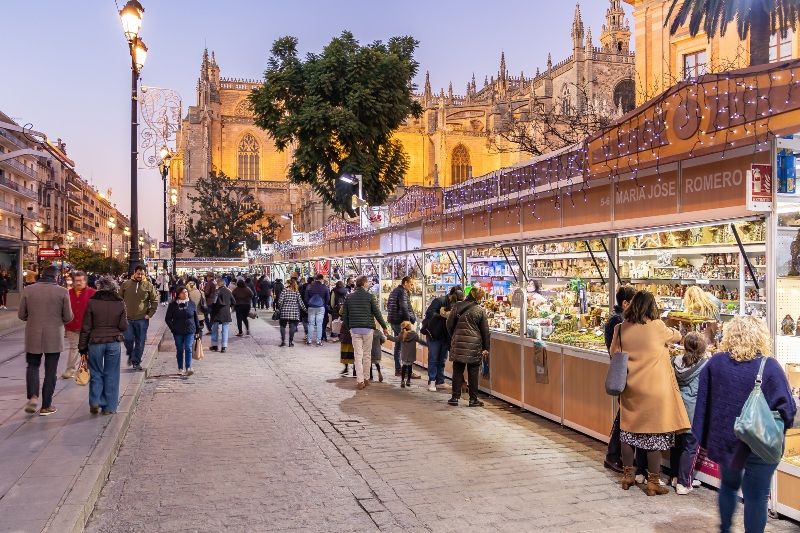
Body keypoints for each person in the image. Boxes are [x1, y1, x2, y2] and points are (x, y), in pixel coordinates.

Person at [693, 316, 796, 532]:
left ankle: (725, 528)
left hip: (727, 441)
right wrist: (778, 429)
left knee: (728, 487)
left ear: (729, 335)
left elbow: (703, 402)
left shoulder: (716, 363)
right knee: (757, 496)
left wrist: (706, 436)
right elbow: (787, 408)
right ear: (761, 337)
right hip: (761, 442)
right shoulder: (770, 367)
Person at [609, 290, 689, 496]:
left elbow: (614, 354)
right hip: (655, 389)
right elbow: (678, 336)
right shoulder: (657, 327)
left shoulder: (620, 328)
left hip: (630, 387)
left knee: (628, 432)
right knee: (654, 435)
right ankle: (653, 482)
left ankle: (628, 476)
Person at [18, 265, 73, 416]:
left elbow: (21, 315)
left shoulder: (28, 290)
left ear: (42, 275)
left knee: (32, 366)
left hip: (33, 335)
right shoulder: (62, 292)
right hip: (54, 336)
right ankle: (46, 406)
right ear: (56, 277)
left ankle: (33, 397)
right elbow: (68, 317)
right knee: (51, 370)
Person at [78, 276, 127, 415]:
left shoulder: (92, 302)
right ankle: (109, 407)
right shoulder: (120, 302)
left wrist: (82, 346)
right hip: (113, 342)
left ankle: (95, 400)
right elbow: (123, 326)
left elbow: (86, 326)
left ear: (99, 287)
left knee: (96, 372)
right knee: (112, 373)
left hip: (95, 342)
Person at [603, 285, 638, 473]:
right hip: (623, 373)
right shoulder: (619, 322)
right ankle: (613, 455)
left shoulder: (617, 319)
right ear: (625, 303)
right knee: (623, 415)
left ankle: (616, 455)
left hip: (624, 372)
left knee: (624, 414)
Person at [670, 332, 708, 495]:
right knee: (690, 446)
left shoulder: (674, 361)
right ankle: (684, 482)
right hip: (693, 409)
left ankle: (675, 477)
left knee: (677, 444)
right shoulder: (705, 364)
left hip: (676, 406)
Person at [342, 275, 389, 390]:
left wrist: (349, 327)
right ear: (363, 283)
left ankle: (360, 380)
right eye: (367, 282)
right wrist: (384, 326)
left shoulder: (349, 297)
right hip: (368, 329)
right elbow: (377, 313)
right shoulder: (369, 296)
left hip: (354, 329)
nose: (368, 284)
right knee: (367, 355)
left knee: (358, 355)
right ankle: (367, 378)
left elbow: (345, 315)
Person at [446, 286, 490, 408]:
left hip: (458, 342)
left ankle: (455, 397)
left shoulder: (457, 306)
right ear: (479, 298)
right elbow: (485, 331)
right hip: (474, 344)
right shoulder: (480, 310)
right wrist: (486, 347)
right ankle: (473, 399)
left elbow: (449, 324)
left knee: (458, 371)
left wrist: (455, 335)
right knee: (473, 372)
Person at [120, 265, 159, 371]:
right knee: (127, 339)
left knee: (140, 341)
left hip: (142, 318)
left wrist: (149, 314)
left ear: (145, 274)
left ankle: (136, 362)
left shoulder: (148, 286)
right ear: (134, 273)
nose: (140, 275)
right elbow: (119, 299)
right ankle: (131, 354)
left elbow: (154, 301)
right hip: (127, 318)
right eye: (138, 273)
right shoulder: (126, 284)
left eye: (142, 274)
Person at [63, 270, 96, 379]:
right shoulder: (68, 293)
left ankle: (90, 371)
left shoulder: (92, 293)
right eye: (76, 281)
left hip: (88, 327)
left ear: (85, 281)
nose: (78, 283)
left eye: (81, 280)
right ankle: (70, 370)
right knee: (74, 348)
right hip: (72, 327)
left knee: (90, 349)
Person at [165, 286, 201, 376]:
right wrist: (173, 328)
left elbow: (195, 317)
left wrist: (198, 330)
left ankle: (188, 367)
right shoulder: (173, 305)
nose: (185, 293)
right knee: (180, 349)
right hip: (178, 331)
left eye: (186, 292)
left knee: (188, 348)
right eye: (182, 292)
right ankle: (180, 368)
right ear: (178, 295)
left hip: (190, 330)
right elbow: (168, 319)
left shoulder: (191, 303)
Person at [387, 276, 418, 378]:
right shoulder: (403, 292)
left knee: (398, 346)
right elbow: (404, 307)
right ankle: (407, 371)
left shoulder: (395, 291)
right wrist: (408, 321)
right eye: (411, 284)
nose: (412, 286)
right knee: (407, 347)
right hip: (401, 322)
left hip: (393, 320)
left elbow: (389, 305)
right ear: (405, 283)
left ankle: (398, 370)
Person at [389, 320, 427, 388]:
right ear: (410, 327)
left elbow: (395, 339)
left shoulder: (401, 334)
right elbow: (420, 341)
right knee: (410, 367)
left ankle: (402, 380)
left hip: (404, 354)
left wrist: (387, 336)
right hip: (411, 354)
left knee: (404, 366)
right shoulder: (414, 334)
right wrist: (428, 344)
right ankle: (408, 380)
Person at [276, 278, 306, 347]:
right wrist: (305, 310)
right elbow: (301, 303)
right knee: (292, 326)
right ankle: (290, 342)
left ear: (289, 284)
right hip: (294, 312)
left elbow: (280, 301)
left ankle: (283, 342)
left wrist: (280, 308)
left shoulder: (284, 291)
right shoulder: (296, 292)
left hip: (284, 311)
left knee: (282, 326)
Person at [210, 278, 234, 353]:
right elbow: (234, 301)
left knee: (215, 329)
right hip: (226, 313)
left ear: (218, 284)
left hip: (217, 313)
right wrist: (229, 307)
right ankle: (224, 346)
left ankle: (214, 346)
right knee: (225, 329)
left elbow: (213, 303)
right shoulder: (228, 291)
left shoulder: (217, 291)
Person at [305, 274, 329, 346]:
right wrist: (324, 304)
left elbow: (306, 298)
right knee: (319, 324)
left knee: (311, 324)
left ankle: (309, 340)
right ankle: (318, 341)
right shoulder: (325, 287)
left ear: (315, 279)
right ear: (321, 279)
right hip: (321, 307)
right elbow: (328, 298)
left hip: (311, 307)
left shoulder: (309, 286)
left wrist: (309, 304)